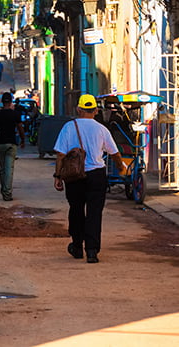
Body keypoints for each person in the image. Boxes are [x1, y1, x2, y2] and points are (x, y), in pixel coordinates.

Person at [53, 94, 119, 264]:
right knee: (94, 213)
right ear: (96, 111)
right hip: (96, 175)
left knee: (76, 209)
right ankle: (92, 251)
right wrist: (121, 167)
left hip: (74, 175)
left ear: (78, 109)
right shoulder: (101, 129)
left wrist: (58, 176)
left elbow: (60, 154)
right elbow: (114, 152)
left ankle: (76, 246)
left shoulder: (69, 127)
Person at [0, 93, 24, 201]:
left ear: (2, 102)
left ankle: (4, 190)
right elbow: (20, 128)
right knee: (9, 169)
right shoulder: (15, 114)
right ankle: (7, 193)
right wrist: (23, 140)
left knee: (3, 169)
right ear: (11, 102)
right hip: (11, 143)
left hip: (0, 143)